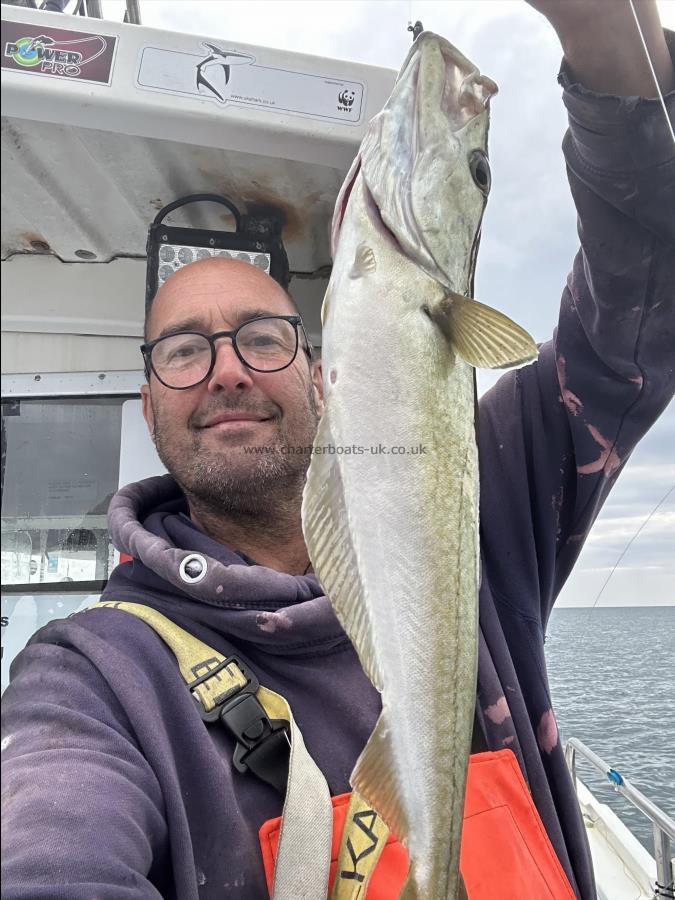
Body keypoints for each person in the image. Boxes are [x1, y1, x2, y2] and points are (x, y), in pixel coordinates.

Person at [2, 2, 673, 898]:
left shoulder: (484, 491)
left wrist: (602, 32)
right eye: (184, 349)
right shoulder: (95, 677)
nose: (229, 371)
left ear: (323, 373)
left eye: (263, 338)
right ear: (148, 403)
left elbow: (636, 311)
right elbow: (50, 850)